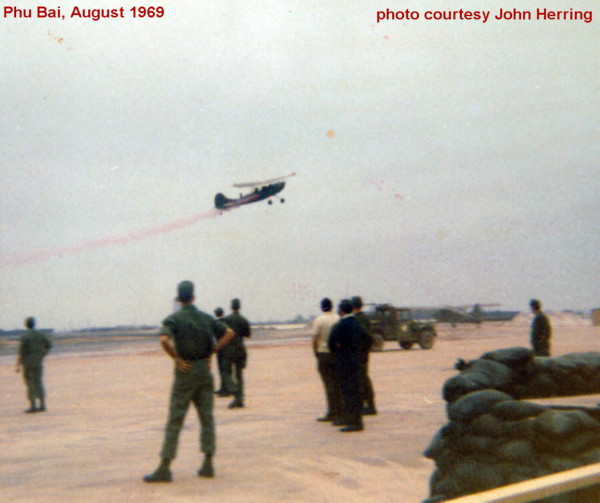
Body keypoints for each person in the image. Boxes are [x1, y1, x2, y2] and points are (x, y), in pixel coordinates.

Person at [144, 281, 234, 483]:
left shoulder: (174, 319)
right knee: (206, 418)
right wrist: (213, 351)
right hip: (204, 370)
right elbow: (229, 333)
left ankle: (165, 467)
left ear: (178, 298)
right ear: (193, 297)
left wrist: (175, 358)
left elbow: (164, 340)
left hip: (185, 372)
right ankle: (208, 463)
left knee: (176, 419)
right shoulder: (206, 318)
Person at [328, 299, 370, 432]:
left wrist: (339, 352)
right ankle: (354, 419)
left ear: (340, 310)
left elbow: (331, 343)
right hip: (356, 361)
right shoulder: (357, 324)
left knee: (347, 392)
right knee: (355, 391)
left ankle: (354, 421)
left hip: (344, 362)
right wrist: (361, 353)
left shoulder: (341, 325)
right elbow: (368, 339)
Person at [312, 298, 343, 422]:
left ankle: (332, 411)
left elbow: (315, 339)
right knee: (338, 383)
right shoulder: (337, 318)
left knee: (329, 384)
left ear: (321, 307)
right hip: (337, 354)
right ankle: (340, 409)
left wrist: (316, 353)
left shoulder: (319, 320)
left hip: (324, 353)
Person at [15, 317, 52, 413]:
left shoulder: (25, 337)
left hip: (28, 363)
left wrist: (18, 365)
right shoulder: (41, 335)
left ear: (26, 324)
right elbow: (49, 346)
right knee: (38, 382)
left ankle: (33, 406)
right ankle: (42, 404)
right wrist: (42, 355)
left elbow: (21, 352)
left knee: (30, 383)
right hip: (38, 362)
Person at [222, 298, 251, 409]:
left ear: (231, 306)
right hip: (240, 348)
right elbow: (248, 335)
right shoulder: (243, 320)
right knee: (239, 374)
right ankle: (239, 397)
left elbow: (222, 332)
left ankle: (236, 393)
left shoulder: (226, 320)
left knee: (226, 372)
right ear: (239, 307)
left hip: (229, 349)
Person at [351, 296, 377, 415]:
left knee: (361, 380)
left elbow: (365, 335)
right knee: (364, 378)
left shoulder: (357, 319)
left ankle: (366, 405)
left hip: (358, 353)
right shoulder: (365, 318)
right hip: (364, 353)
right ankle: (369, 404)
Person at [212, 307, 231, 397]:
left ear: (216, 314)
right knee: (226, 369)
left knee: (221, 369)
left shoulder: (217, 324)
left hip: (220, 348)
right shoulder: (227, 322)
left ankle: (225, 389)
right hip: (228, 348)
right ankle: (224, 388)